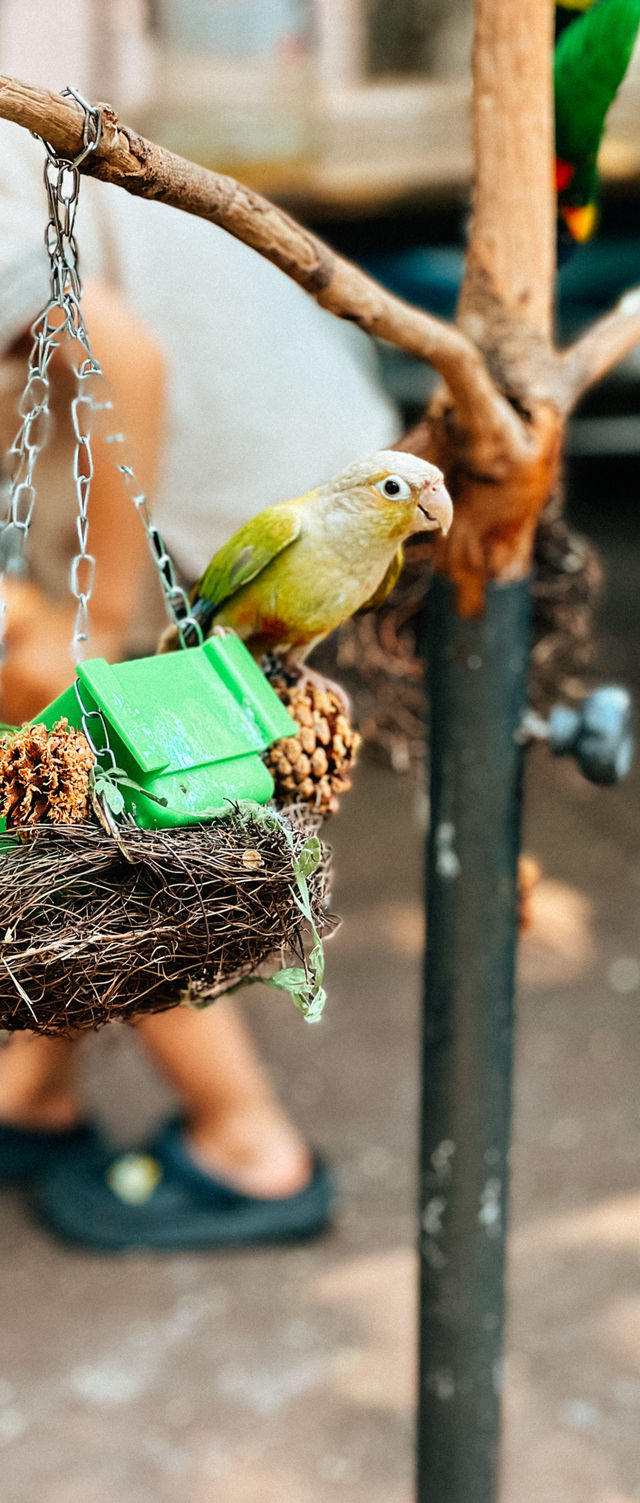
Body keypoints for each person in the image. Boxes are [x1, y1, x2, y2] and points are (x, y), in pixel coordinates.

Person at [0, 118, 399, 1249]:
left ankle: (247, 1145)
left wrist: (101, 631)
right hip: (152, 471)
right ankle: (34, 1095)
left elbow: (117, 352)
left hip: (246, 490)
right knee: (71, 766)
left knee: (108, 774)